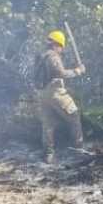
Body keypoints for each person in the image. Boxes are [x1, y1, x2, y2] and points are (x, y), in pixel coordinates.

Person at [34, 30, 85, 164]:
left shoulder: (41, 56)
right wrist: (77, 71)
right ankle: (79, 150)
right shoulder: (53, 56)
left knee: (48, 124)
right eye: (61, 47)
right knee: (74, 116)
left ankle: (48, 155)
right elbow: (60, 73)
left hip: (41, 93)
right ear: (57, 44)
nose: (62, 50)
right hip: (54, 92)